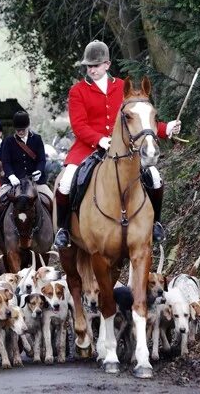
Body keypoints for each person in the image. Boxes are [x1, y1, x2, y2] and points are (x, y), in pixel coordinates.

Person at [53, 40, 181, 249]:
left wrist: (165, 129)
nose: (91, 70)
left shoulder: (123, 87)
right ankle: (64, 229)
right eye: (89, 66)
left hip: (123, 149)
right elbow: (78, 125)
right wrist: (99, 139)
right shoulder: (78, 91)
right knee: (66, 182)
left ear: (107, 64)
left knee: (155, 178)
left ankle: (156, 223)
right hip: (87, 148)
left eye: (96, 65)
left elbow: (138, 120)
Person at [0, 111, 49, 241]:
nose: (20, 132)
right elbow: (6, 162)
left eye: (23, 129)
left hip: (35, 180)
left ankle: (57, 230)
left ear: (28, 126)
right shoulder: (9, 141)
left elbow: (42, 160)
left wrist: (39, 171)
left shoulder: (37, 139)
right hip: (14, 181)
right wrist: (11, 176)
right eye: (18, 130)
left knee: (51, 198)